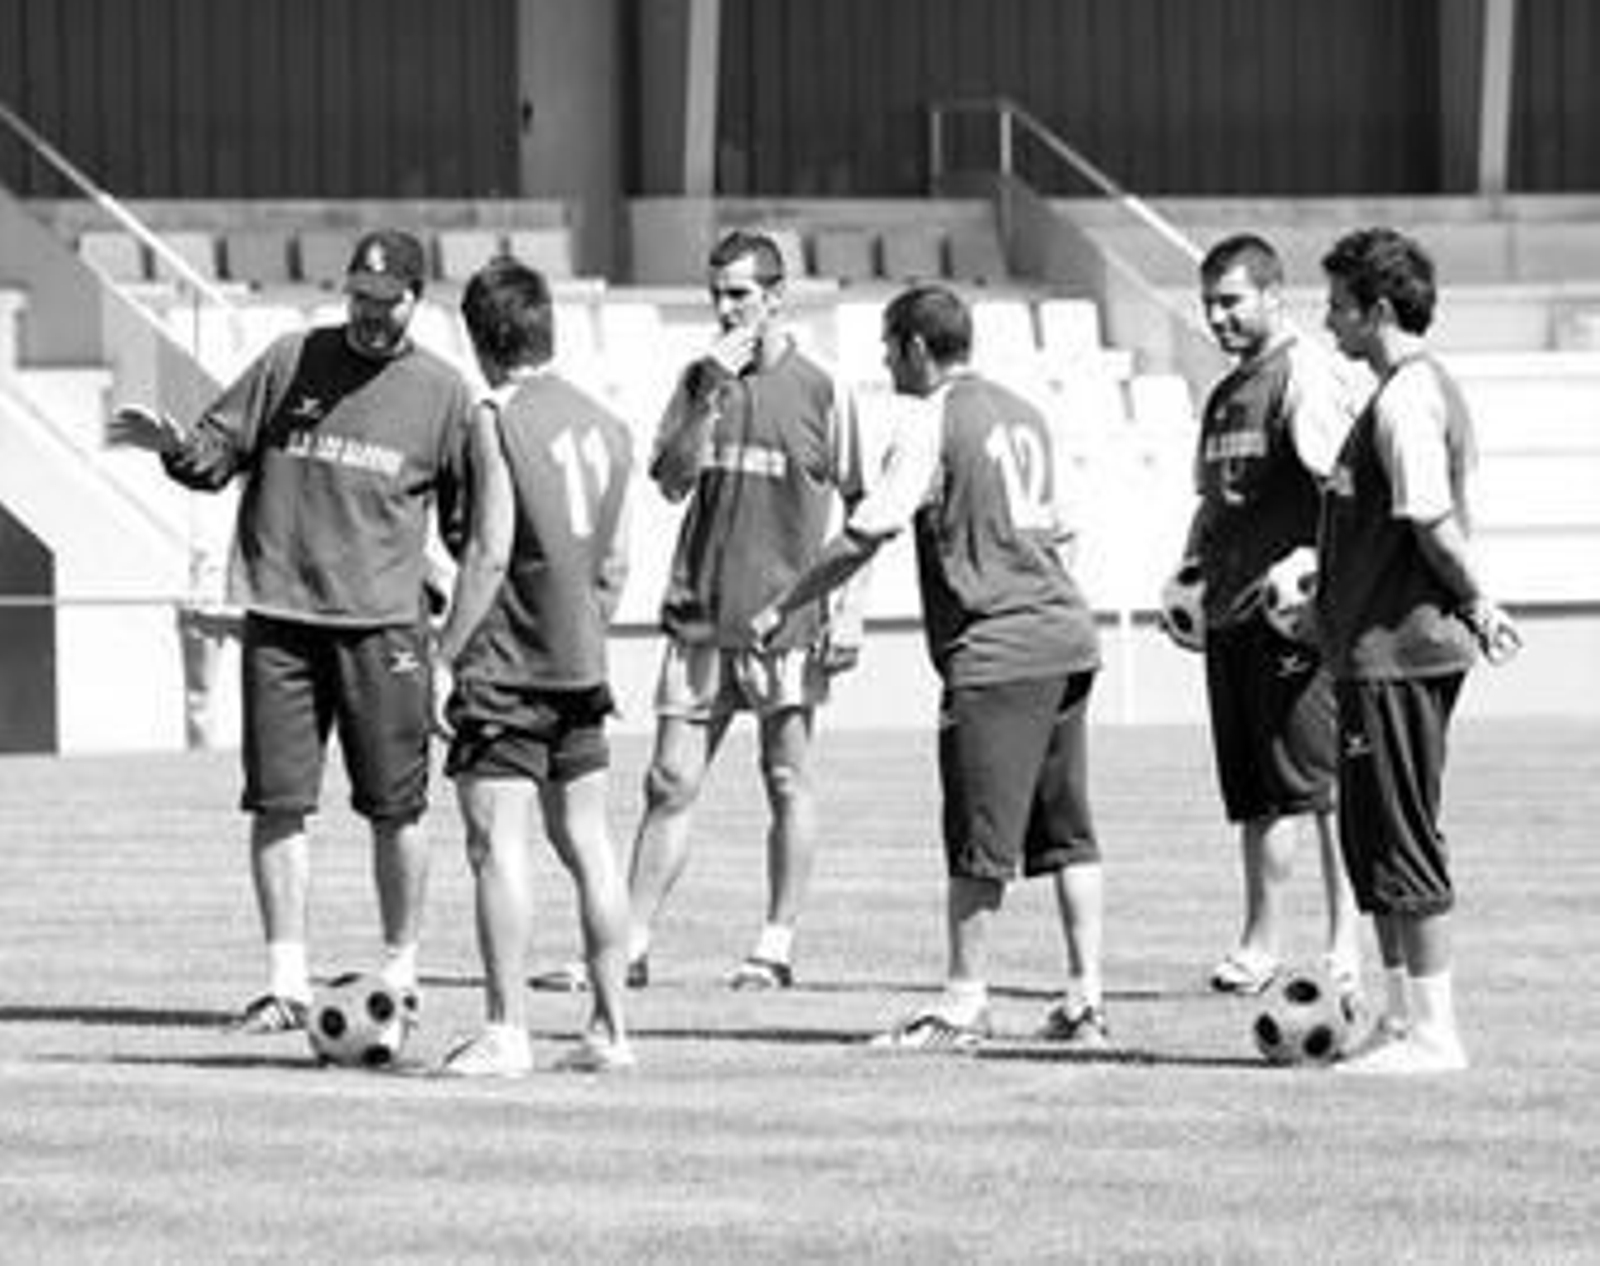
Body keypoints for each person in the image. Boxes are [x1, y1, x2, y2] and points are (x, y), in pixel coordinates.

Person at [106, 228, 473, 1033]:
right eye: (360, 299)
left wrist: (466, 635)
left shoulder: (443, 394)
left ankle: (401, 973)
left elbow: (468, 527)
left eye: (388, 301)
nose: (371, 315)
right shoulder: (288, 360)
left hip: (385, 632)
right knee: (278, 804)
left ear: (418, 298)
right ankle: (286, 983)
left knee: (397, 809)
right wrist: (173, 446)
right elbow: (214, 453)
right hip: (281, 619)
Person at [751, 283, 1108, 1050]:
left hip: (997, 651)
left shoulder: (931, 418)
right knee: (1069, 834)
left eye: (889, 347)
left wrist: (786, 604)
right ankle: (1086, 999)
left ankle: (963, 1004)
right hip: (1068, 636)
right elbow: (1066, 530)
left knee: (980, 836)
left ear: (916, 346)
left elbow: (868, 529)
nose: (886, 362)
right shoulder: (1026, 411)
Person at [535, 228, 868, 993]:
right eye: (717, 293)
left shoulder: (825, 391)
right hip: (698, 615)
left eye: (741, 294)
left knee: (786, 777)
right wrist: (701, 394)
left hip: (784, 621)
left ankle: (774, 946)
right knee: (667, 782)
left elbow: (862, 505)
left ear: (777, 297)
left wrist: (847, 608)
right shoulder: (699, 378)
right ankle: (630, 943)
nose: (725, 308)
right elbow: (670, 479)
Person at [1317, 227, 1520, 1074]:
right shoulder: (1397, 391)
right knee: (1371, 837)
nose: (1329, 323)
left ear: (1379, 310)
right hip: (1369, 650)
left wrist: (1477, 599)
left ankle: (1435, 1032)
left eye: (1338, 306)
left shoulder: (1406, 399)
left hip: (1400, 651)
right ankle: (1400, 1024)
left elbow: (1430, 522)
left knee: (1402, 832)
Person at [431, 256, 637, 1077]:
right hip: (583, 664)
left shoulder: (495, 416)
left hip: (509, 667)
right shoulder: (606, 422)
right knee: (590, 842)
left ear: (480, 338)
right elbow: (617, 565)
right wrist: (584, 630)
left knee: (497, 847)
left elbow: (487, 550)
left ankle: (507, 1030)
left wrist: (446, 659)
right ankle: (612, 1031)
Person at [1161, 233, 1365, 1001]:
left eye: (1231, 301)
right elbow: (1213, 501)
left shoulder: (1303, 375)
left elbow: (1340, 489)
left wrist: (1315, 581)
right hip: (1229, 615)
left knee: (1321, 788)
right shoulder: (1225, 394)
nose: (1217, 316)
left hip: (1292, 624)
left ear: (1273, 296)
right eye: (1209, 302)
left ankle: (1345, 942)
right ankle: (1260, 944)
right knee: (1255, 794)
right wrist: (1185, 577)